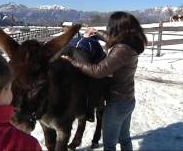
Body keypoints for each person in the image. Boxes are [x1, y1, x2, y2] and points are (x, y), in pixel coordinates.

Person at [62, 11, 147, 151]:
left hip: (116, 104)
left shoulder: (122, 49)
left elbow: (98, 71)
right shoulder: (131, 42)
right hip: (127, 100)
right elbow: (112, 40)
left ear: (119, 29)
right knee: (124, 139)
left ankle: (89, 110)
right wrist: (96, 33)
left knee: (109, 145)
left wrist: (74, 62)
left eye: (111, 26)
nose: (109, 28)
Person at [62, 27, 106, 122]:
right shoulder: (94, 43)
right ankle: (89, 111)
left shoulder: (78, 39)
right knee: (93, 80)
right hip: (79, 53)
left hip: (67, 51)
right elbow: (102, 59)